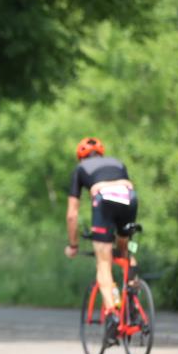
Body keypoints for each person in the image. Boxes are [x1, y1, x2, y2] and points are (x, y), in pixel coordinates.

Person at [64, 137, 138, 343]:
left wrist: (73, 244)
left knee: (103, 262)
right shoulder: (118, 163)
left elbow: (72, 215)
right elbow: (126, 191)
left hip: (104, 200)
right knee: (125, 253)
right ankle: (132, 295)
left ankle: (114, 313)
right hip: (129, 198)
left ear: (81, 158)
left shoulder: (80, 170)